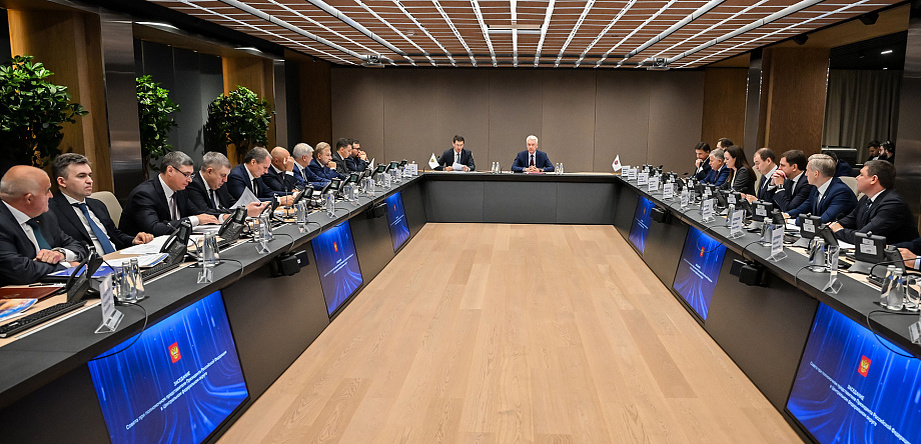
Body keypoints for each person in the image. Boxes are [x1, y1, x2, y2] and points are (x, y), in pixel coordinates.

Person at [49, 153, 153, 254]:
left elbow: (115, 235)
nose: (90, 181)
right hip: (88, 263)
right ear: (62, 182)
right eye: (81, 176)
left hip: (118, 258)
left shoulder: (97, 204)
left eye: (90, 175)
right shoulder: (50, 211)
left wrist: (133, 240)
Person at [0, 165, 87, 285]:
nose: (51, 195)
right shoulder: (3, 224)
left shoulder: (45, 215)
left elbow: (77, 246)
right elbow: (19, 271)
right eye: (47, 191)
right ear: (29, 199)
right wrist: (66, 265)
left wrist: (60, 254)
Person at [120, 151, 219, 236]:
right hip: (140, 248)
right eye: (186, 175)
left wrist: (221, 217)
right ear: (170, 171)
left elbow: (198, 213)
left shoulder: (180, 190)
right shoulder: (144, 194)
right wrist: (194, 220)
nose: (190, 180)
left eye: (191, 175)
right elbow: (154, 228)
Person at [829, 160, 918, 245]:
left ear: (873, 179)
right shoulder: (866, 198)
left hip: (896, 254)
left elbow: (864, 237)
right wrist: (832, 225)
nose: (857, 178)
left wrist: (838, 231)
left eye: (861, 175)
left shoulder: (893, 204)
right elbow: (849, 220)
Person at [186, 152, 267, 217]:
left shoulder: (220, 183)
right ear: (209, 171)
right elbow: (205, 212)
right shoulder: (193, 184)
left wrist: (257, 206)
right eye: (223, 175)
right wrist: (243, 211)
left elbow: (232, 203)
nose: (225, 180)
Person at [783, 154, 857, 224]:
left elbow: (824, 219)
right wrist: (786, 215)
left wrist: (791, 221)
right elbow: (802, 208)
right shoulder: (816, 187)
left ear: (816, 174)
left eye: (807, 171)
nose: (806, 174)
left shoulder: (841, 192)